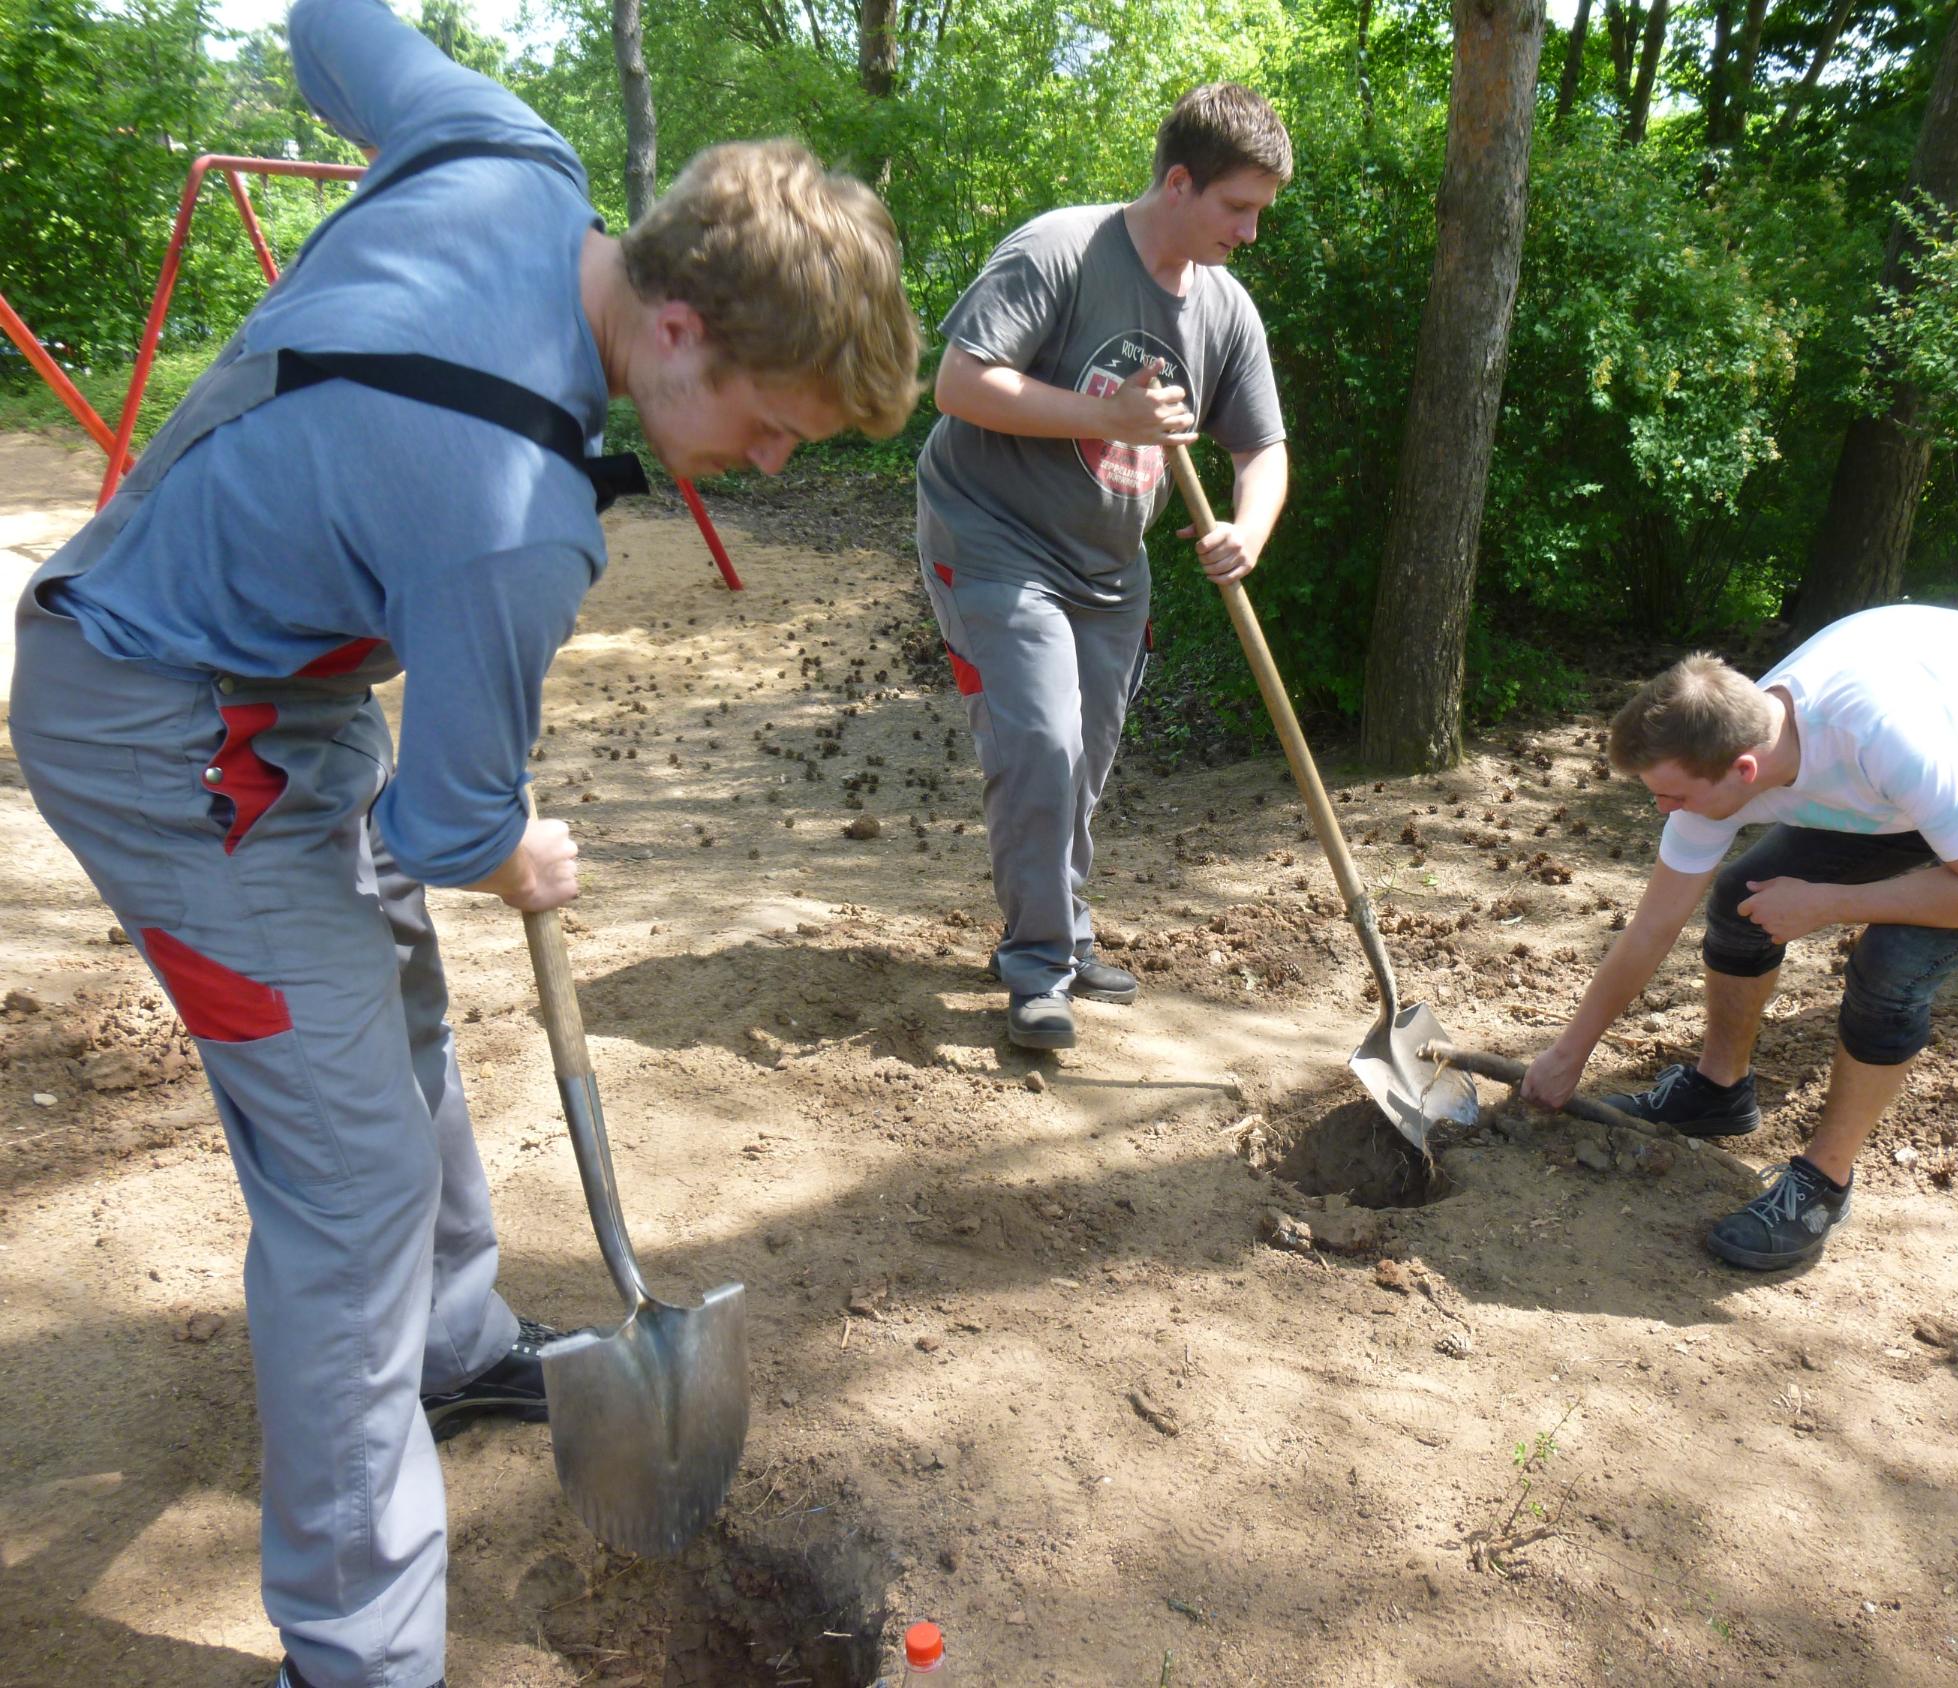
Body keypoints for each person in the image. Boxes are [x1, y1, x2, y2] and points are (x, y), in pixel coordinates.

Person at [6, 3, 920, 1684]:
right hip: (156, 725)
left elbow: (333, 27)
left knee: (400, 1008)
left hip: (285, 681)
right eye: (772, 420)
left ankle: (454, 1339)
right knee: (346, 1185)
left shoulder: (510, 155)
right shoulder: (516, 516)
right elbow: (450, 827)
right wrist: (520, 853)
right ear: (676, 322)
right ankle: (360, 1647)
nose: (770, 462)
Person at [1522, 605, 1958, 1271]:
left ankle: (1824, 1183)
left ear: (1743, 771)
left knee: (1894, 959)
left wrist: (1832, 903)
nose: (1662, 811)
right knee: (1744, 898)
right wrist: (1570, 1054)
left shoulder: (1883, 738)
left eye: (1673, 798)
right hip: (1932, 774)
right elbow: (1653, 925)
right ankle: (1718, 1091)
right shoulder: (1730, 751)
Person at [916, 83, 1292, 1050]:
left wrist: (1250, 527)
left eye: (1259, 212)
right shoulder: (1062, 252)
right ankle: (1037, 965)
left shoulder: (1225, 308)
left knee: (1081, 762)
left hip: (1109, 564)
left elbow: (1263, 449)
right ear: (1178, 182)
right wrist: (1104, 415)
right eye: (1237, 208)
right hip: (993, 533)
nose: (1250, 233)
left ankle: (1065, 929)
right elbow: (956, 383)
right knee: (1041, 741)